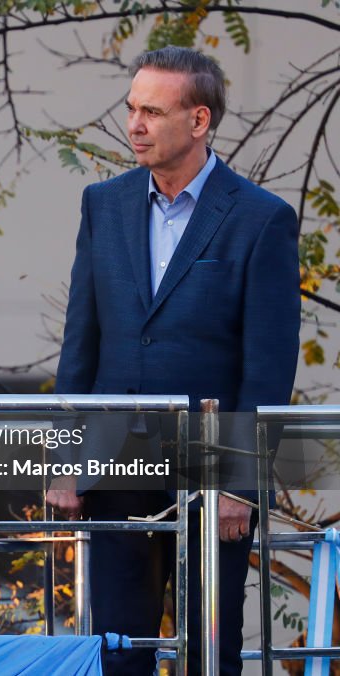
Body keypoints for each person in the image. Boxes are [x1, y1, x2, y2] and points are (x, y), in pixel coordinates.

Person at [47, 46, 300, 675]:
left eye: (152, 112)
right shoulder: (102, 204)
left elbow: (268, 367)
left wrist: (241, 485)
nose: (134, 123)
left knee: (213, 652)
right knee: (116, 648)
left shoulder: (261, 219)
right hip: (114, 463)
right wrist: (62, 460)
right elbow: (81, 344)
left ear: (199, 120)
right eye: (132, 108)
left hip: (210, 473)